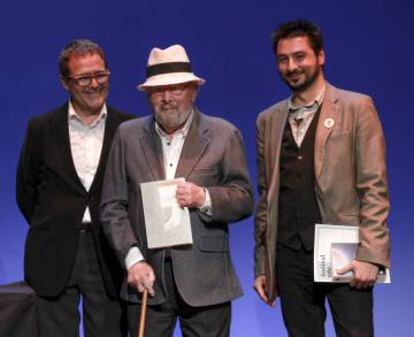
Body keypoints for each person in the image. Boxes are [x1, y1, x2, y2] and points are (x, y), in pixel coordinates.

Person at [100, 44, 253, 337]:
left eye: (176, 89)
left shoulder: (224, 134)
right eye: (158, 91)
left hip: (206, 280)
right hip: (148, 277)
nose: (167, 98)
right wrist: (133, 260)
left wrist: (204, 197)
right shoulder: (128, 136)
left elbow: (243, 199)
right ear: (148, 96)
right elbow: (112, 206)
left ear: (193, 91)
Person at [253, 20, 390, 337]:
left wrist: (371, 255)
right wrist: (263, 264)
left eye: (300, 57)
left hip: (345, 252)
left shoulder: (357, 107)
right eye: (283, 59)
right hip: (289, 256)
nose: (291, 66)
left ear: (320, 56)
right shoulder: (268, 120)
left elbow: (374, 188)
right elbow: (267, 199)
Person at [16, 39, 135, 337]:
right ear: (64, 82)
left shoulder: (128, 128)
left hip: (109, 254)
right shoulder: (41, 128)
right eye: (84, 78)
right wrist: (55, 224)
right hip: (54, 252)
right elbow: (26, 190)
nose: (95, 84)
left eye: (101, 75)